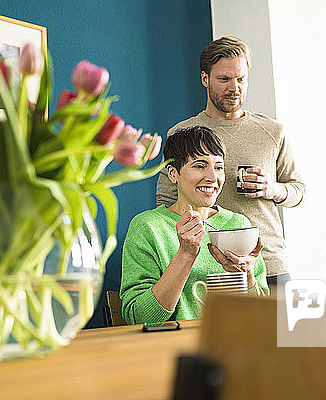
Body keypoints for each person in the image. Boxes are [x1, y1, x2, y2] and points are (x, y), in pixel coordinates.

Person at [156, 36, 305, 292]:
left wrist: (273, 189)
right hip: (210, 263)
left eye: (240, 79)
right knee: (223, 334)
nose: (234, 88)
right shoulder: (182, 134)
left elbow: (298, 190)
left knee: (281, 334)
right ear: (205, 79)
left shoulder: (273, 131)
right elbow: (165, 202)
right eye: (224, 79)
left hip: (269, 261)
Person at [120, 126, 269, 324]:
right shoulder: (148, 227)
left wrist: (248, 276)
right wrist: (185, 254)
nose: (212, 177)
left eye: (218, 167)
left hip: (234, 344)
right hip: (170, 347)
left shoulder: (238, 224)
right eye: (200, 165)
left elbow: (262, 316)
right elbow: (139, 318)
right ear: (173, 174)